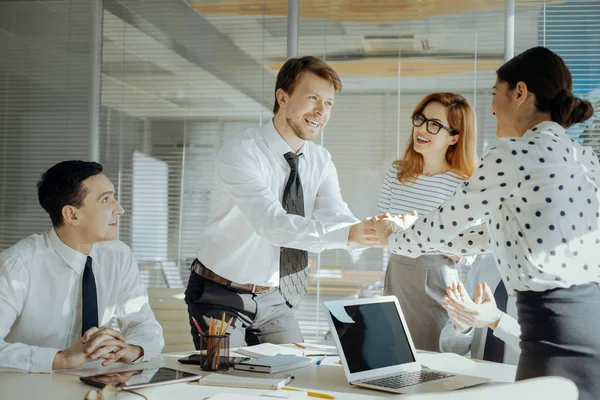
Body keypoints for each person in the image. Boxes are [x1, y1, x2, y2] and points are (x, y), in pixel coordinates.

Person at [374, 46, 599, 399]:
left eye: (496, 94)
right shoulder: (584, 159)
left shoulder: (513, 154)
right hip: (590, 323)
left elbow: (446, 223)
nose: (492, 108)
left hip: (548, 329)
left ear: (520, 92)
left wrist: (395, 238)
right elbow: (481, 236)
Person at [185, 56, 379, 349]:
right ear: (283, 97)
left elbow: (335, 215)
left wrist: (375, 230)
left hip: (273, 297)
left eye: (328, 103)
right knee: (228, 383)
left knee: (294, 374)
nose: (320, 111)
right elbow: (272, 225)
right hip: (218, 293)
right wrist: (350, 234)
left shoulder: (320, 160)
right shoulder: (242, 153)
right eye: (313, 98)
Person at [0, 161, 164, 372]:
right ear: (72, 215)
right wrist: (60, 359)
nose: (119, 209)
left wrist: (132, 349)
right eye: (106, 200)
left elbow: (144, 325)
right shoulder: (17, 266)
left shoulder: (119, 256)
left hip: (99, 385)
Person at [376, 92, 479, 351]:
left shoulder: (464, 184)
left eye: (434, 125)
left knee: (431, 358)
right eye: (420, 120)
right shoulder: (396, 173)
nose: (422, 129)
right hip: (397, 270)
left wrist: (413, 233)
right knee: (393, 353)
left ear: (454, 137)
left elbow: (468, 253)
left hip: (436, 276)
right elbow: (380, 227)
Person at [439, 254, 520, 365]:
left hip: (529, 380)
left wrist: (498, 321)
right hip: (478, 377)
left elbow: (548, 349)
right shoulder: (484, 265)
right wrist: (462, 329)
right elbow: (448, 350)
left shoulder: (548, 278)